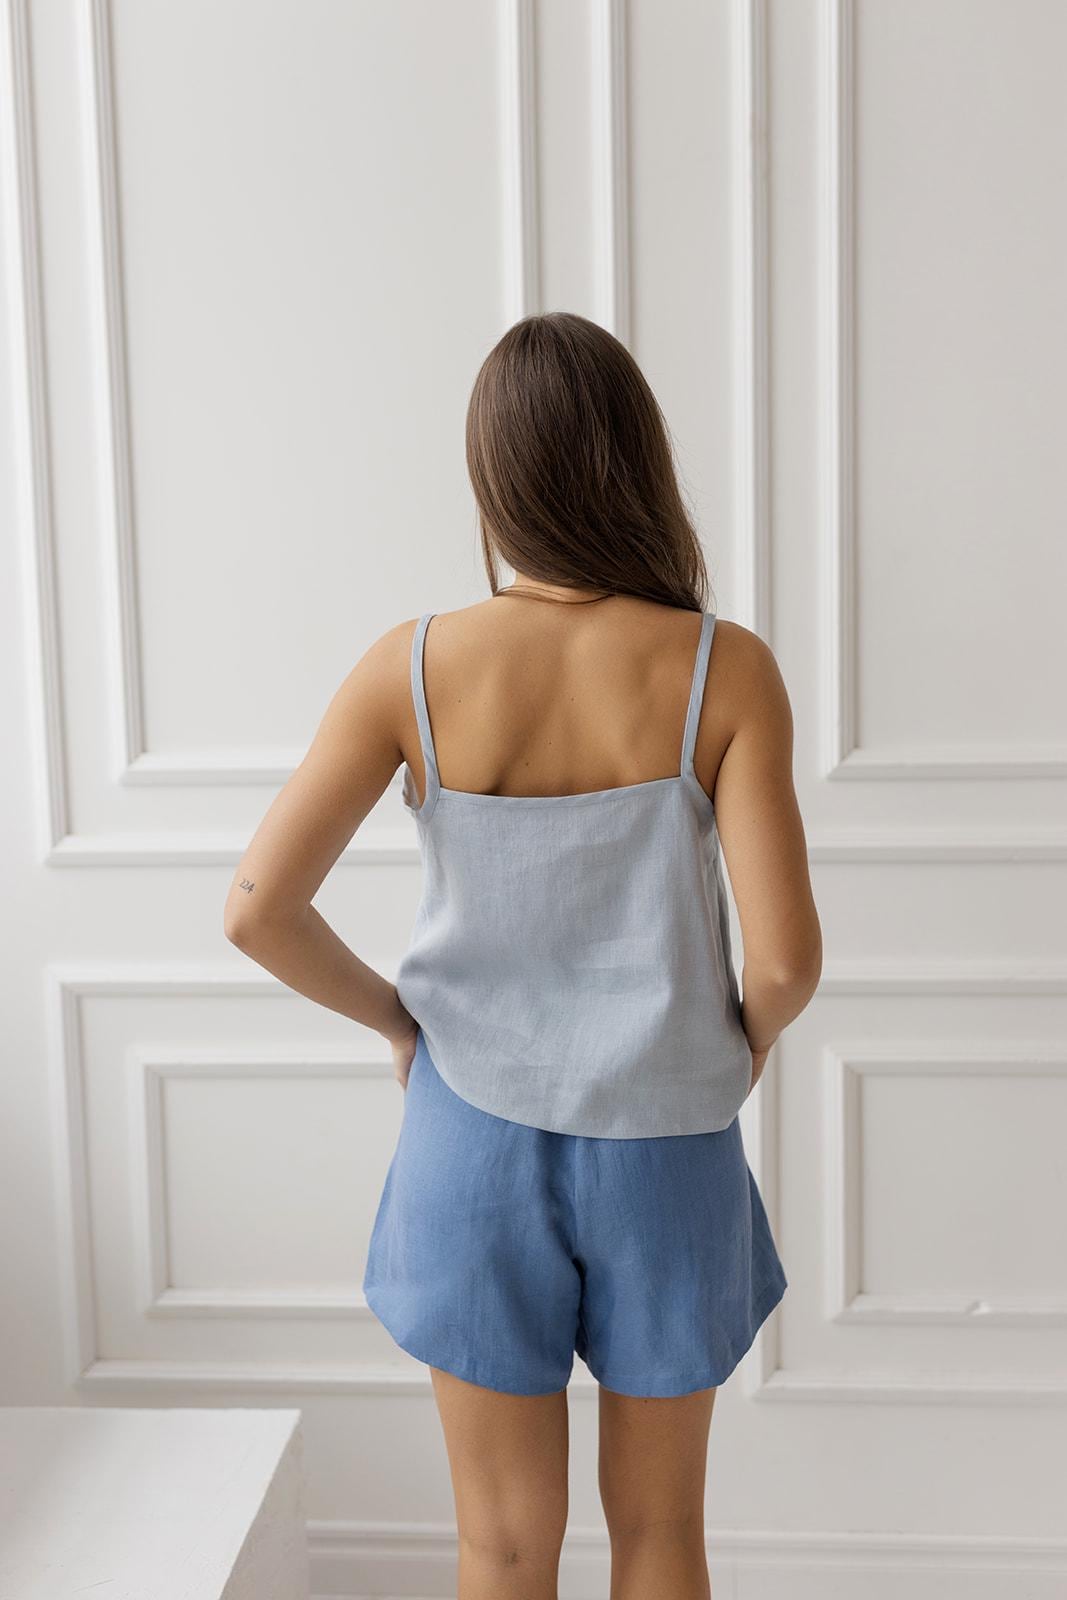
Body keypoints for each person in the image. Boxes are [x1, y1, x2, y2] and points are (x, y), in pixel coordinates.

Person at [224, 311, 822, 1600]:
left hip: (470, 1143)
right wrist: (737, 1049)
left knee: (500, 1544)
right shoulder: (725, 671)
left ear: (496, 479)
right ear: (637, 466)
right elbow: (784, 964)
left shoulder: (416, 666)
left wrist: (402, 1024)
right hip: (666, 1146)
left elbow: (258, 907)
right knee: (661, 1536)